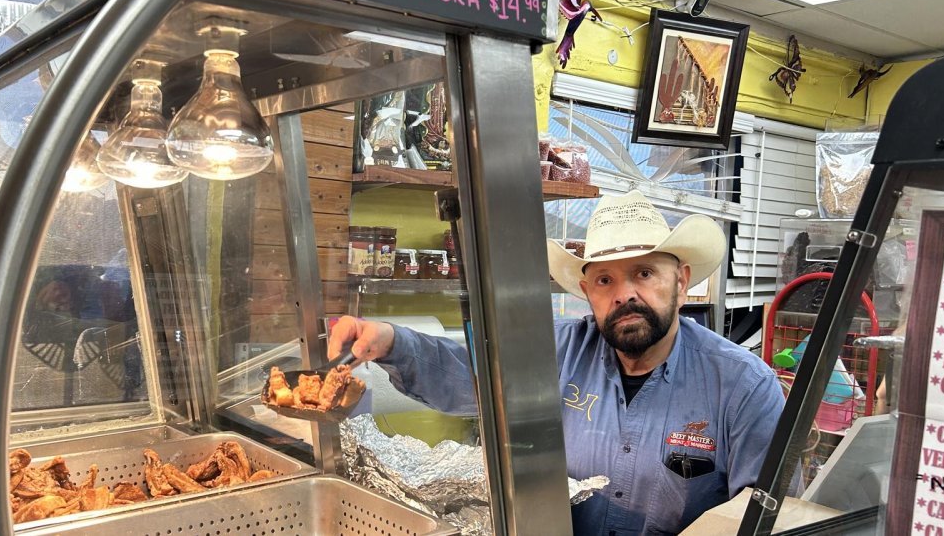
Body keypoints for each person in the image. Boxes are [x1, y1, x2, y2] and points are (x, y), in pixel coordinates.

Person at [328, 190, 785, 535]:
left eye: (644, 274)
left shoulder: (743, 387)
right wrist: (389, 341)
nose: (624, 294)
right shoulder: (558, 351)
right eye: (605, 279)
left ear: (681, 282)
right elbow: (470, 375)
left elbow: (769, 512)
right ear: (587, 293)